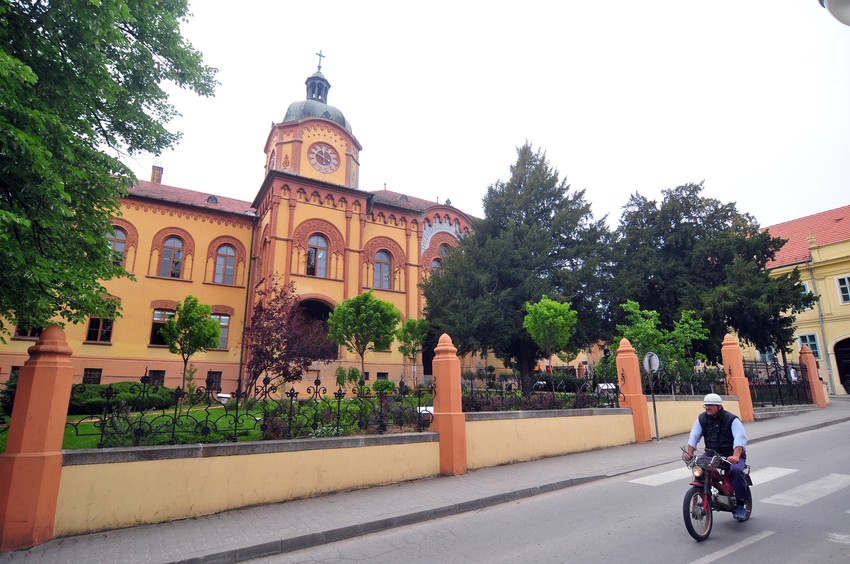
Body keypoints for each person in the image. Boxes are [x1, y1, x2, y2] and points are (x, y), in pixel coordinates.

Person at [684, 393, 749, 521]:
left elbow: (740, 438)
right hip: (712, 454)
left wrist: (736, 456)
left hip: (731, 455)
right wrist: (689, 453)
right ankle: (704, 492)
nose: (707, 408)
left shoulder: (731, 419)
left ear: (719, 406)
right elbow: (694, 436)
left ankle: (740, 504)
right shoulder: (702, 419)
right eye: (705, 405)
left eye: (710, 405)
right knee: (699, 467)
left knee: (736, 471)